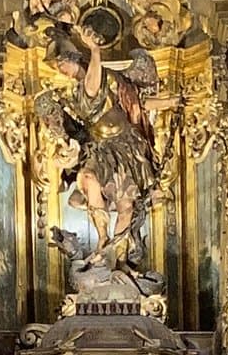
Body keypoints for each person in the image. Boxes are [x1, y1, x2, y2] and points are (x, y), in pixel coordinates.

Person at [48, 24, 156, 263]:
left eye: (62, 64)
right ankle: (103, 239)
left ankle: (119, 258)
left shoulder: (102, 81)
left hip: (125, 148)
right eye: (58, 67)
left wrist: (95, 51)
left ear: (75, 60)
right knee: (87, 179)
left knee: (126, 204)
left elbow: (136, 102)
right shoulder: (72, 95)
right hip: (99, 150)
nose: (61, 70)